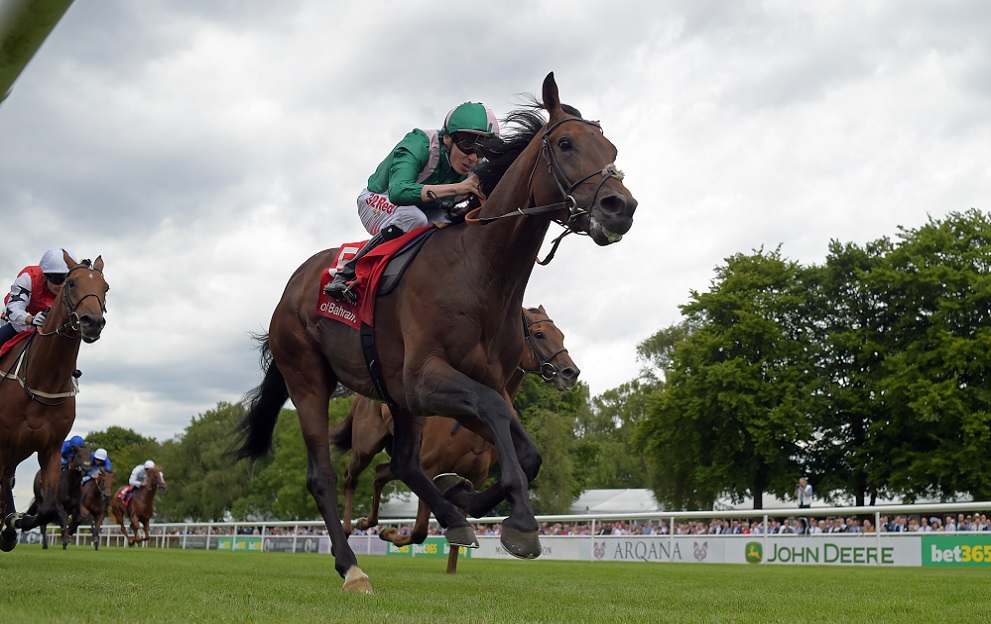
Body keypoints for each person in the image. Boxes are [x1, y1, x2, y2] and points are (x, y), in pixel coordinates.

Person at [324, 101, 500, 303]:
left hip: (427, 209)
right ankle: (347, 273)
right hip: (378, 200)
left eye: (482, 151)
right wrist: (459, 188)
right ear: (448, 138)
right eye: (467, 145)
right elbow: (398, 192)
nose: (473, 158)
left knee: (455, 228)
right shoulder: (419, 144)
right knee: (413, 218)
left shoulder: (478, 162)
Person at [1, 248, 76, 350]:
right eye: (57, 279)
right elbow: (13, 308)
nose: (62, 286)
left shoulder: (73, 289)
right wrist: (31, 319)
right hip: (18, 322)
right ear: (44, 276)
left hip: (49, 328)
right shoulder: (29, 277)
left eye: (67, 280)